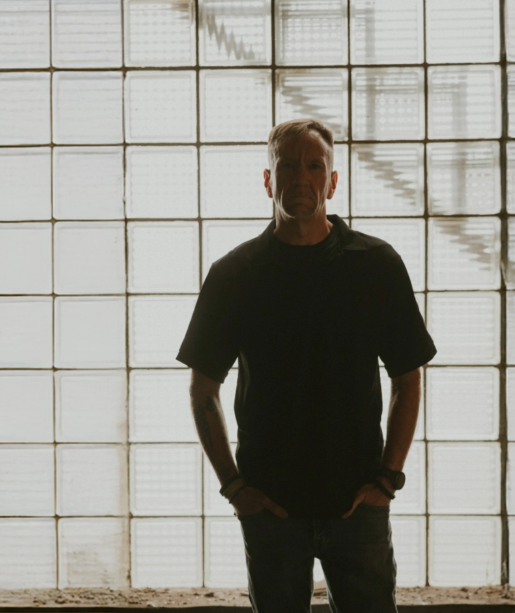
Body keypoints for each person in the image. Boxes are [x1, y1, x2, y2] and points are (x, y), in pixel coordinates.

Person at [176, 118, 436, 612]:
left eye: (315, 166)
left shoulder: (376, 264)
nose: (301, 178)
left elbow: (408, 379)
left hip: (358, 504)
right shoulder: (235, 275)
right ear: (268, 180)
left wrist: (387, 480)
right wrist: (235, 489)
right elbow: (202, 390)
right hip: (271, 508)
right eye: (287, 166)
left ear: (333, 182)